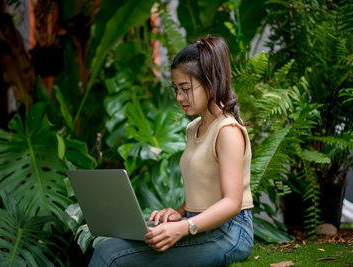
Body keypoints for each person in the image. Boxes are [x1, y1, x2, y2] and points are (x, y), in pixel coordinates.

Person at [88, 36, 254, 267]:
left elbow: (232, 203)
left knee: (111, 254)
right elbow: (204, 184)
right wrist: (180, 213)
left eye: (185, 89)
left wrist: (183, 227)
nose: (179, 97)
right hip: (198, 225)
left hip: (229, 234)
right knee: (113, 242)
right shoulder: (194, 128)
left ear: (210, 82)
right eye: (176, 89)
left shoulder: (227, 131)